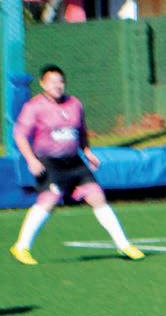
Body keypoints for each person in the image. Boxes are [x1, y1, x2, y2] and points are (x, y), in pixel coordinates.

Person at [8, 66, 144, 265]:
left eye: (60, 81)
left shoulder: (75, 104)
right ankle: (21, 247)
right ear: (43, 84)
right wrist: (31, 159)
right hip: (49, 163)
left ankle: (124, 245)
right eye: (52, 82)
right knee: (49, 200)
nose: (57, 85)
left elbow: (81, 131)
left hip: (74, 162)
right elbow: (20, 135)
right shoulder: (34, 107)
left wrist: (87, 152)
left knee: (97, 196)